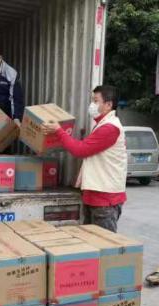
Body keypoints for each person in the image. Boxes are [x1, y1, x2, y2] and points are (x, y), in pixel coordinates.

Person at [42, 85, 127, 233]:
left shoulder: (110, 128)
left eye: (96, 101)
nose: (92, 105)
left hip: (105, 198)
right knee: (91, 241)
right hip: (96, 195)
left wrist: (58, 131)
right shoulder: (102, 125)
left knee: (103, 242)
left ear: (108, 105)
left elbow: (80, 150)